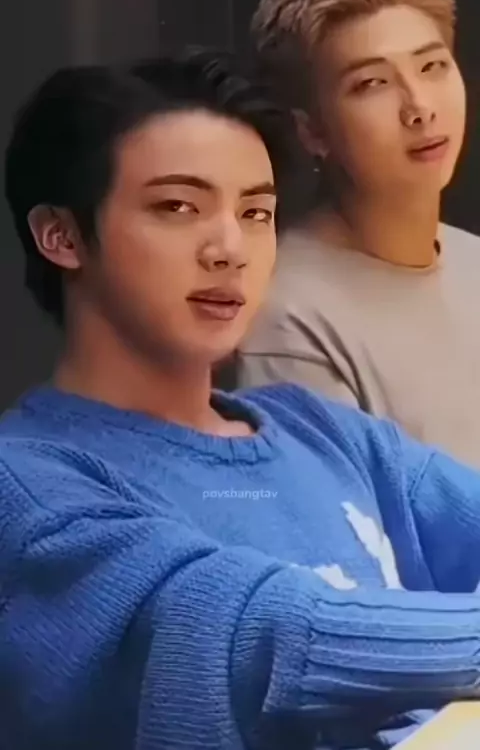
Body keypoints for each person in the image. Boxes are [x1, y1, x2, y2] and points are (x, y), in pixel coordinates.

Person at [3, 49, 480, 750]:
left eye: (257, 212)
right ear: (62, 235)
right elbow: (264, 634)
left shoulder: (324, 432)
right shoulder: (28, 482)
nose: (231, 247)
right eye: (178, 207)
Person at [237, 0, 480, 468]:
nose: (420, 107)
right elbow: (337, 512)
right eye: (372, 83)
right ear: (312, 131)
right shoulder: (287, 316)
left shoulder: (471, 260)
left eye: (432, 67)